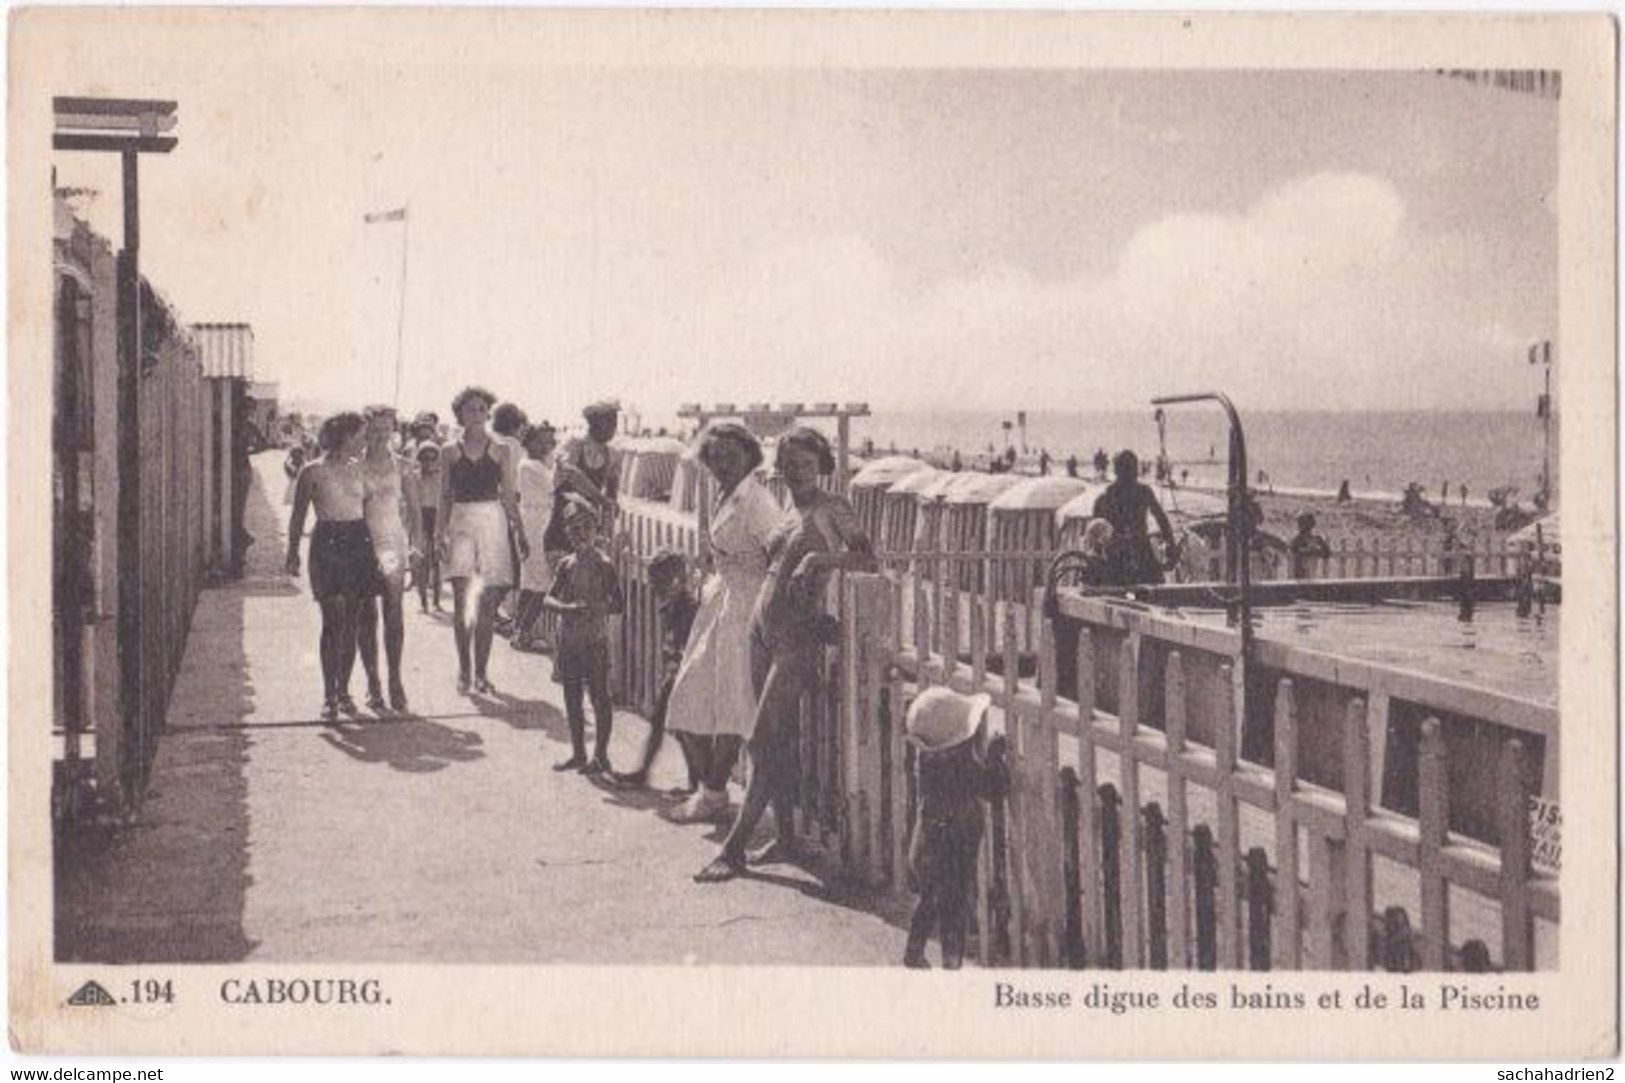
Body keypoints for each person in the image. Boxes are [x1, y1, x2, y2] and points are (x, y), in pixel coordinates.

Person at [695, 426, 877, 883]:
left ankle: (734, 850)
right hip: (761, 627)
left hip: (797, 636)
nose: (796, 471)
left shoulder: (833, 507)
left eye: (806, 463)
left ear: (822, 465)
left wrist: (820, 562)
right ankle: (789, 840)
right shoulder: (789, 507)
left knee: (760, 740)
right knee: (779, 742)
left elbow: (869, 559)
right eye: (790, 463)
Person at [664, 423, 781, 823]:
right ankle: (711, 788)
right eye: (715, 456)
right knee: (686, 698)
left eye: (732, 455)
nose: (723, 463)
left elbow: (779, 559)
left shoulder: (759, 501)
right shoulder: (722, 494)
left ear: (750, 455)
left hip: (747, 606)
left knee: (733, 704)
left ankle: (713, 793)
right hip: (722, 600)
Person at [902, 687, 1009, 969]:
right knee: (953, 909)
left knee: (929, 901)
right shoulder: (961, 767)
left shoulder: (927, 762)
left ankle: (913, 952)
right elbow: (993, 789)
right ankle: (952, 962)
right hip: (953, 850)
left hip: (926, 846)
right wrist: (996, 758)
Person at [286, 412, 380, 720]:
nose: (365, 441)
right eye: (361, 435)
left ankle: (343, 691)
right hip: (327, 543)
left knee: (351, 622)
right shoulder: (312, 472)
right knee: (332, 620)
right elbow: (298, 516)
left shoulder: (361, 470)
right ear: (346, 436)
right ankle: (329, 695)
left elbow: (370, 513)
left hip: (358, 542)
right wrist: (292, 553)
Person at [438, 386, 526, 694]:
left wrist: (521, 531)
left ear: (487, 413)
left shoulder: (502, 450)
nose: (476, 414)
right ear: (459, 414)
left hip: (492, 522)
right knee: (464, 603)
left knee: (487, 604)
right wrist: (439, 534)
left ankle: (482, 673)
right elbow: (444, 496)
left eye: (481, 409)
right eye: (469, 409)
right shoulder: (449, 451)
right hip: (460, 522)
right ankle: (464, 670)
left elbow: (510, 497)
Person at [544, 495, 626, 775]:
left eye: (586, 528)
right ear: (567, 533)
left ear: (596, 530)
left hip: (595, 641)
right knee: (571, 696)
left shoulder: (604, 565)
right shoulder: (566, 565)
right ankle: (579, 753)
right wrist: (566, 608)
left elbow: (618, 603)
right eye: (574, 529)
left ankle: (601, 755)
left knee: (600, 697)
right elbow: (548, 599)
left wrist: (595, 607)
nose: (580, 534)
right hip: (569, 641)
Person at [611, 549, 701, 792]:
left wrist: (674, 673)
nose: (655, 591)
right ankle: (650, 773)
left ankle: (696, 783)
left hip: (685, 677)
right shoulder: (672, 605)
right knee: (664, 724)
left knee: (684, 730)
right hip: (674, 675)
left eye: (659, 585)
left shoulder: (690, 608)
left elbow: (687, 648)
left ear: (676, 581)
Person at [355, 405, 421, 711]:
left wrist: (418, 546)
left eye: (387, 428)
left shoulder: (404, 465)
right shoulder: (354, 465)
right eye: (376, 429)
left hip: (392, 544)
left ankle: (395, 679)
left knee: (394, 608)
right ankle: (373, 682)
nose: (382, 435)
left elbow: (416, 511)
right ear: (365, 430)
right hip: (362, 545)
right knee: (365, 612)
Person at [545, 401, 622, 564]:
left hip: (588, 531)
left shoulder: (613, 455)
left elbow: (612, 496)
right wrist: (601, 498)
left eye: (615, 422)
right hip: (562, 525)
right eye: (608, 422)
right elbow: (572, 474)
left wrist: (608, 520)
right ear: (593, 422)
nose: (613, 427)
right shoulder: (574, 444)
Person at [1091, 449, 1176, 587]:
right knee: (1147, 590)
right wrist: (1170, 543)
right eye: (1129, 469)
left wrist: (1170, 543)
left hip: (1133, 551)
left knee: (1150, 589)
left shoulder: (1110, 495)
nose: (1132, 474)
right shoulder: (1111, 496)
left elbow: (1161, 519)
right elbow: (1096, 530)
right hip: (1126, 553)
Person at [513, 421, 558, 652]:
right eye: (540, 442)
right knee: (540, 581)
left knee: (529, 581)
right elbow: (555, 485)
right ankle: (524, 631)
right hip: (536, 521)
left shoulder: (537, 464)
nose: (545, 446)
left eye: (547, 442)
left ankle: (519, 629)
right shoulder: (530, 465)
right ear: (529, 442)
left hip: (535, 517)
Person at [413, 440, 445, 613]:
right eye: (425, 458)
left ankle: (437, 601)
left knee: (437, 561)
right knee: (422, 561)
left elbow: (447, 500)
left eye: (433, 458)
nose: (429, 462)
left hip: (437, 516)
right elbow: (410, 503)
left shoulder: (442, 476)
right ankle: (423, 601)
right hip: (421, 516)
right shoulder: (416, 476)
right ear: (420, 459)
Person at [1288, 512, 1332, 580]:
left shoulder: (1317, 539)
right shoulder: (1297, 540)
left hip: (1311, 575)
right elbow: (1294, 552)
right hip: (1299, 576)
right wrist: (1310, 551)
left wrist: (1318, 550)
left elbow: (1327, 553)